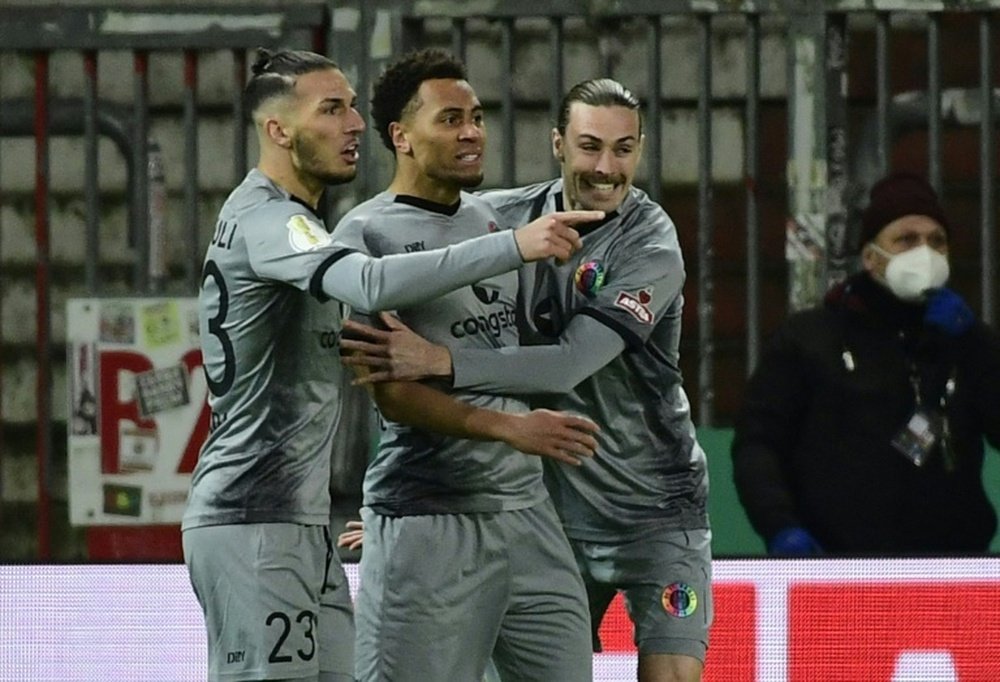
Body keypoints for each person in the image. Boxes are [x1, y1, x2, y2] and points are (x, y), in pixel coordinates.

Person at [181, 47, 602, 682]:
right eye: (332, 109)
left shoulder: (305, 224)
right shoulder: (273, 222)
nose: (354, 123)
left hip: (300, 519)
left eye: (352, 106)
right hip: (252, 519)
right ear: (277, 130)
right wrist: (516, 245)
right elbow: (371, 284)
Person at [340, 77, 712, 682]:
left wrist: (440, 362)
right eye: (591, 147)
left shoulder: (651, 243)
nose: (607, 167)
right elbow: (417, 330)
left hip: (652, 507)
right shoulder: (500, 221)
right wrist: (399, 515)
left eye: (624, 149)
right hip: (548, 508)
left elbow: (567, 363)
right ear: (558, 144)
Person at [333, 50, 604, 682]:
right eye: (450, 119)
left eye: (477, 117)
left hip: (526, 515)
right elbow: (394, 398)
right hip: (433, 519)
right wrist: (513, 429)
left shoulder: (488, 218)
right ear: (401, 136)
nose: (472, 132)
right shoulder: (366, 237)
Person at [730, 171, 1000, 556]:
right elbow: (758, 443)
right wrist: (779, 525)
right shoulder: (811, 339)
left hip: (950, 570)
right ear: (872, 258)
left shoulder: (965, 342)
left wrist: (976, 345)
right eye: (906, 239)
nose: (924, 252)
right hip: (838, 565)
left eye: (937, 241)